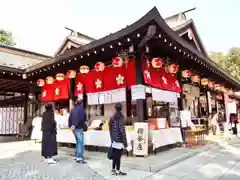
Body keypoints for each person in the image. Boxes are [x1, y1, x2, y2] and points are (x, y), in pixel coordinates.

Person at [109, 103, 127, 176]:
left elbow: (110, 129)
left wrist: (112, 139)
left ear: (115, 108)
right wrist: (125, 142)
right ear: (121, 108)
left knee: (114, 155)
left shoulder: (112, 117)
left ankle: (113, 169)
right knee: (118, 156)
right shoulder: (120, 117)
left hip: (114, 139)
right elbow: (122, 130)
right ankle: (118, 170)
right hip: (119, 140)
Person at [68, 100, 86, 164]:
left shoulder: (72, 110)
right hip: (79, 127)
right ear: (81, 103)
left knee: (78, 142)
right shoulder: (82, 110)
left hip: (73, 128)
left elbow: (69, 118)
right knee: (80, 142)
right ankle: (79, 157)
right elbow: (83, 119)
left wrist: (71, 126)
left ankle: (77, 155)